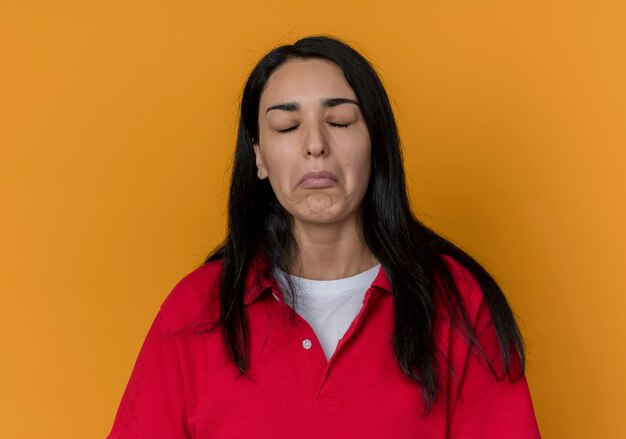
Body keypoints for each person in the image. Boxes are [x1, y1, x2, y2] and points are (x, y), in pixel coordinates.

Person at [107, 35, 541, 438]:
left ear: (376, 143)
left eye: (339, 120)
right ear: (259, 157)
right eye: (287, 127)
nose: (315, 144)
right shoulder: (195, 309)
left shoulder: (457, 300)